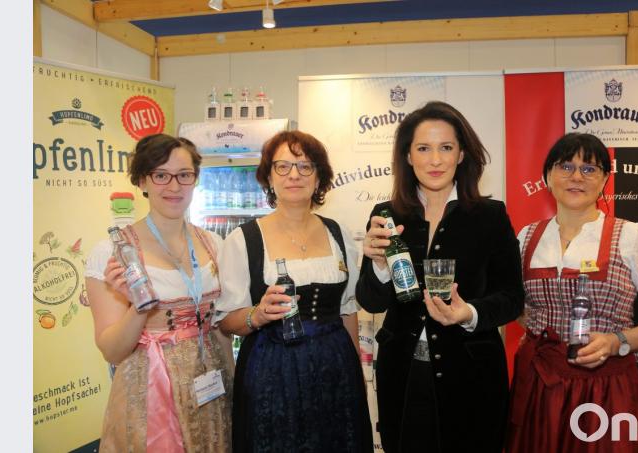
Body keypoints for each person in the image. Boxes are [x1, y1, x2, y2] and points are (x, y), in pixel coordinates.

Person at [356, 101, 525, 453]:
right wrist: (378, 265)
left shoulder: (489, 215)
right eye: (423, 148)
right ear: (407, 156)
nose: (435, 160)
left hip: (472, 374)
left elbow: (511, 297)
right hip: (402, 371)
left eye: (445, 147)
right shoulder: (386, 215)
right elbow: (370, 301)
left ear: (462, 154)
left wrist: (469, 314)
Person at [507, 132, 638, 452]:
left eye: (589, 168)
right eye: (566, 166)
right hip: (540, 386)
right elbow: (511, 303)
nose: (577, 176)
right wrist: (540, 330)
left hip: (607, 388)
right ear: (547, 176)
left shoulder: (630, 237)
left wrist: (616, 341)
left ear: (605, 179)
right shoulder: (527, 237)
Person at [214, 130, 373, 453]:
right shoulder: (243, 239)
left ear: (319, 178)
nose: (294, 175)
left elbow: (348, 309)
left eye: (305, 166)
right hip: (271, 369)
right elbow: (226, 322)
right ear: (269, 177)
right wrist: (256, 315)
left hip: (334, 367)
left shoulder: (337, 233)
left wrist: (353, 370)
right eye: (283, 166)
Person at [85, 134, 234, 452]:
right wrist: (138, 306)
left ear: (195, 179)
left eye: (184, 175)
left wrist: (235, 384)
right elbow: (112, 351)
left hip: (211, 382)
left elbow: (219, 328)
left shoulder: (214, 244)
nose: (174, 186)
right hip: (151, 391)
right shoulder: (112, 252)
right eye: (161, 175)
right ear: (143, 180)